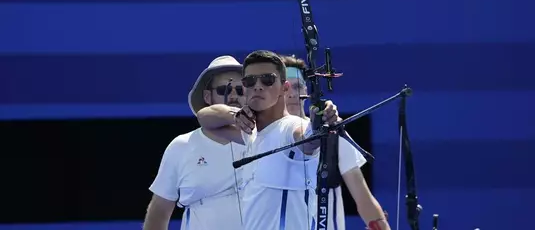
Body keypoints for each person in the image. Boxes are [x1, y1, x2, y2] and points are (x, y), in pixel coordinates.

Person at [196, 50, 340, 230]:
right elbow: (204, 118)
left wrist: (321, 120)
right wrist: (235, 116)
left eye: (267, 80)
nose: (257, 86)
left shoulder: (290, 128)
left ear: (284, 88)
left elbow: (308, 138)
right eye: (250, 81)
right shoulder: (249, 133)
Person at [281, 54, 391, 230]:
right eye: (286, 88)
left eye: (298, 86)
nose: (293, 93)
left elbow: (363, 198)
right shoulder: (264, 136)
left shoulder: (332, 132)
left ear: (306, 91)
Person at [143, 55, 247, 230]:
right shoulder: (181, 146)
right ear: (207, 96)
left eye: (241, 90)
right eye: (224, 90)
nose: (234, 96)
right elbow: (159, 211)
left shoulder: (262, 140)